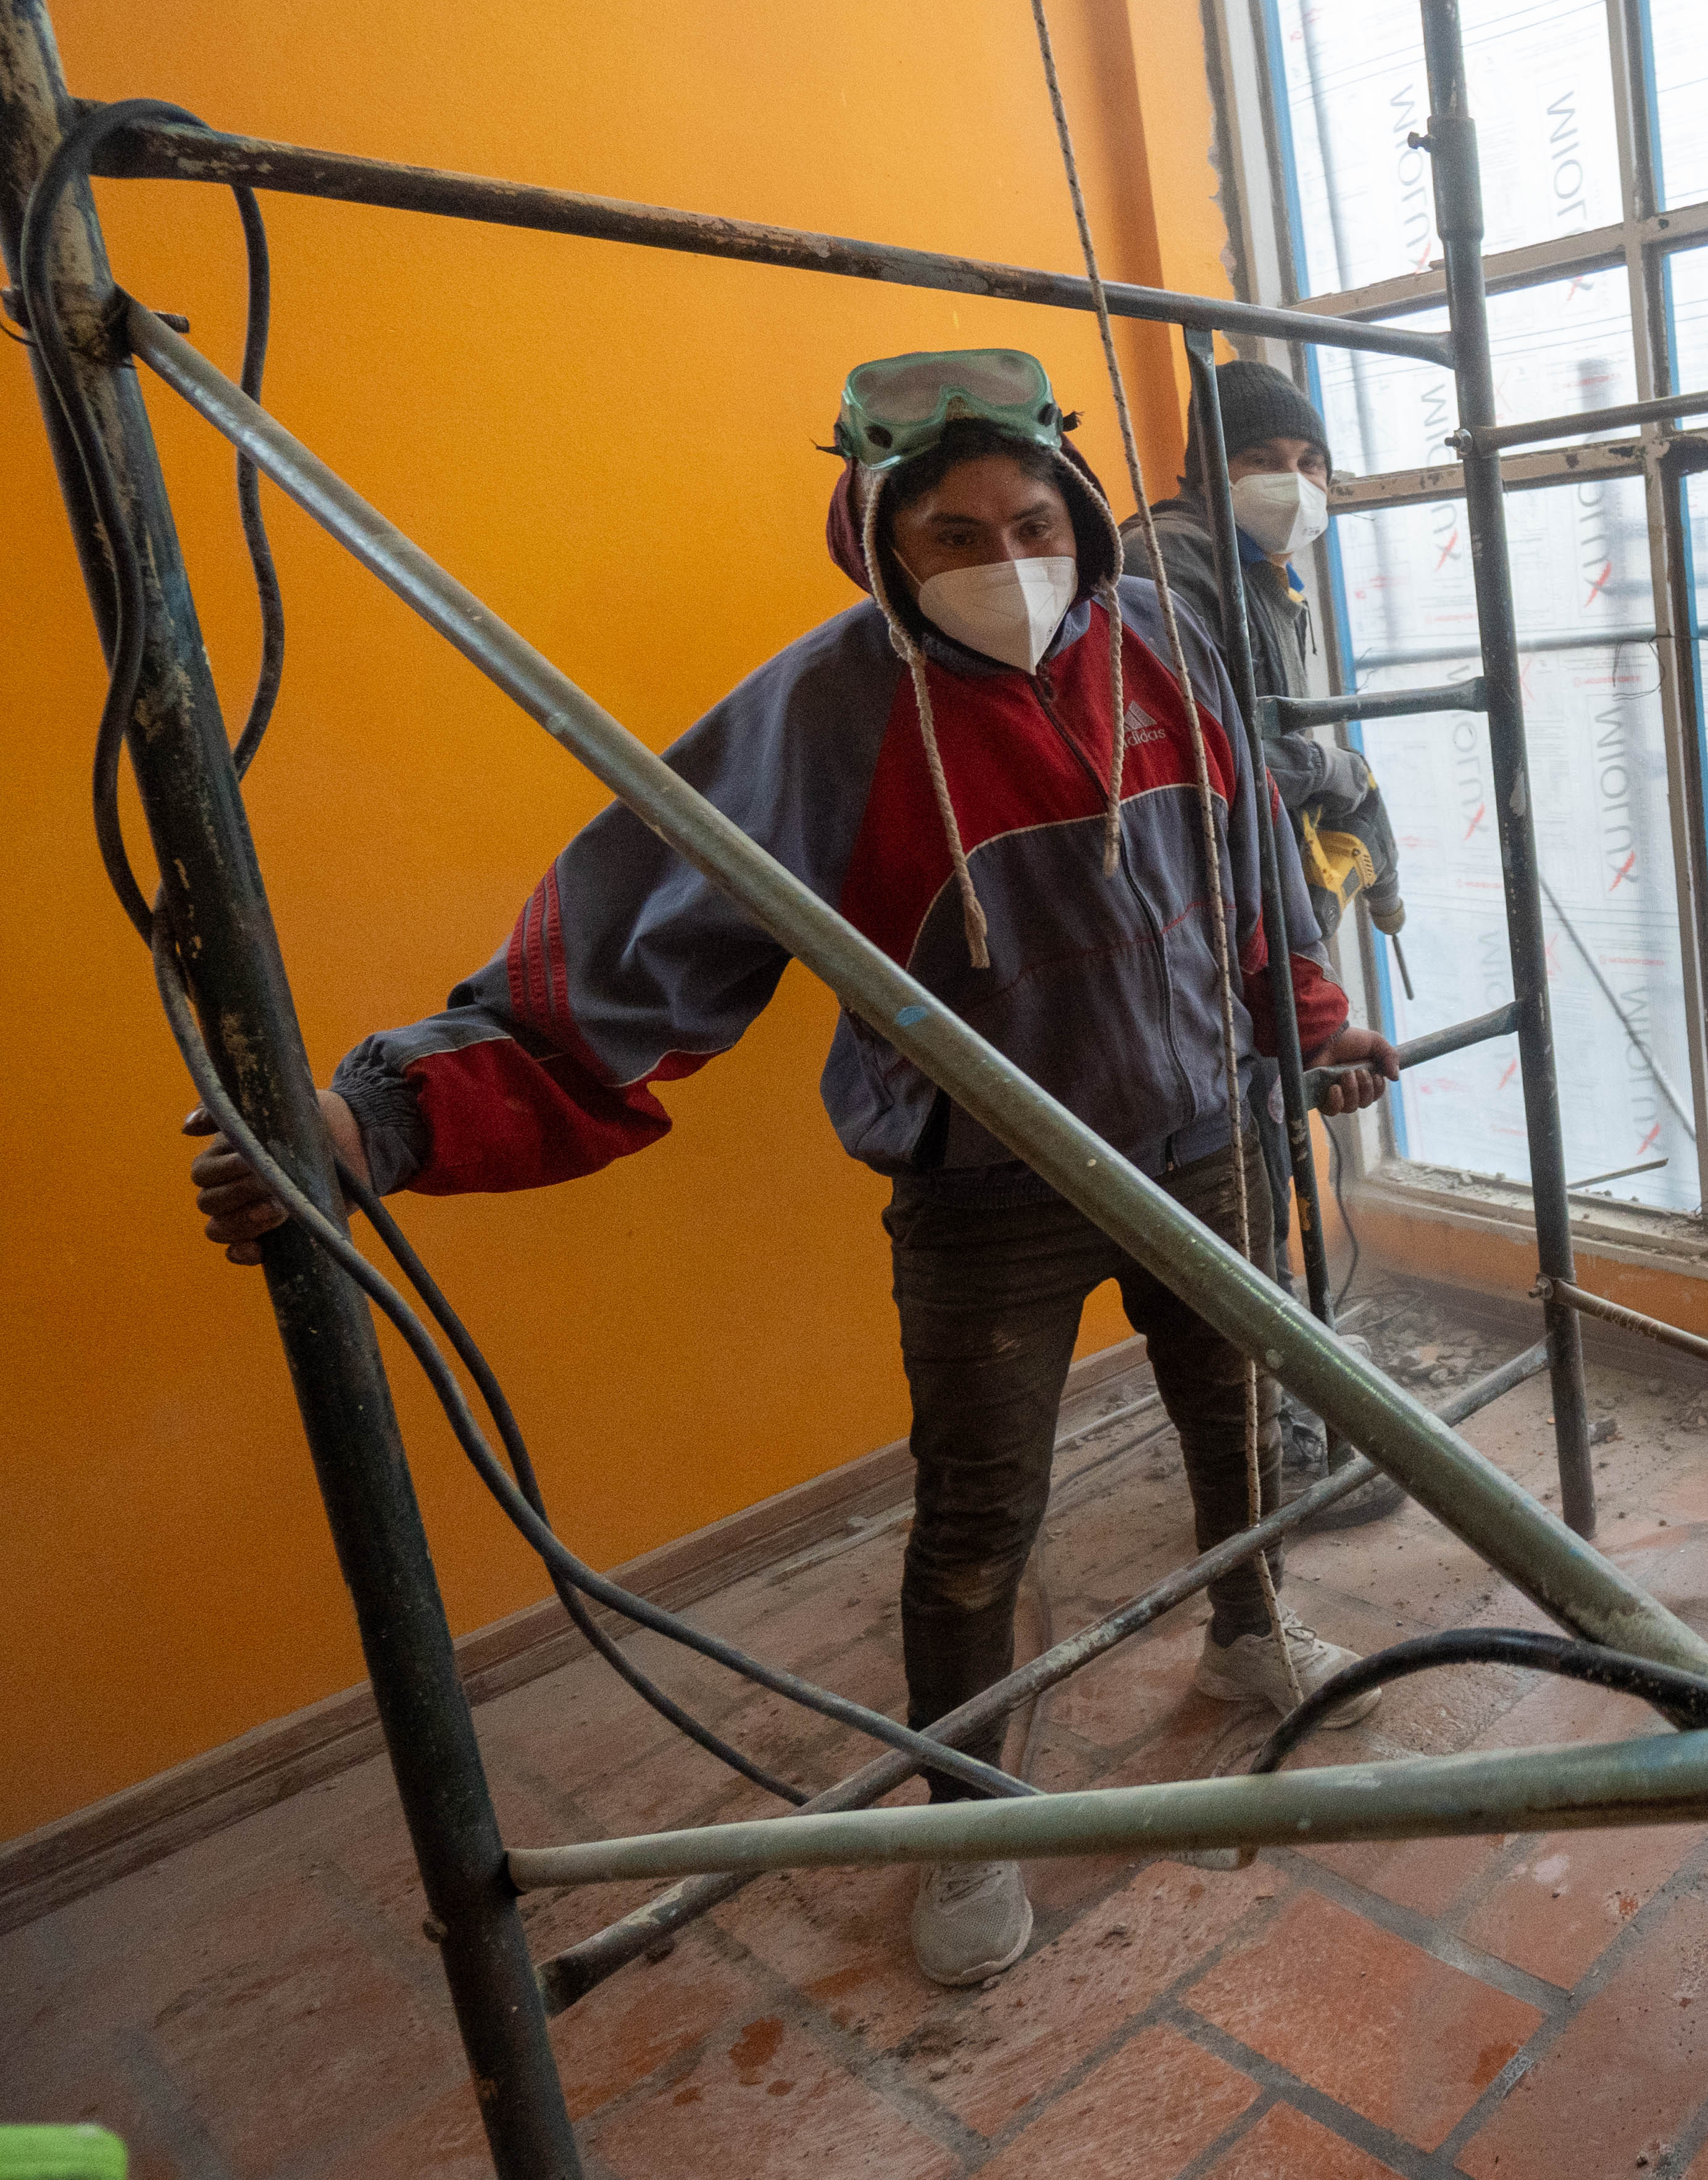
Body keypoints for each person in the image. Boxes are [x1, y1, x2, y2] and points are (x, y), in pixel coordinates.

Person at [184, 350, 1407, 1988]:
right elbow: (618, 954)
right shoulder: (823, 719)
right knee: (980, 1519)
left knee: (1237, 1416)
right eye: (954, 534)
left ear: (1085, 517)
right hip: (992, 1197)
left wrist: (1312, 1021)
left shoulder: (1163, 648)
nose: (1003, 559)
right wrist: (383, 1124)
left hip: (1205, 1138)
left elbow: (1253, 869)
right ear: (881, 538)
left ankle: (1252, 1636)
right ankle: (967, 1811)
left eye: (1031, 521)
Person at [1141, 359, 1411, 1522]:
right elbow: (1230, 756)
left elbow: (1269, 765)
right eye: (1262, 462)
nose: (1292, 487)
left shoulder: (1262, 571)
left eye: (1311, 467)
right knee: (1243, 1192)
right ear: (1209, 467)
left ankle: (1288, 1406)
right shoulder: (1180, 563)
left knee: (1267, 1159)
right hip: (1207, 927)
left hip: (1258, 915)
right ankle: (1278, 1443)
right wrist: (1342, 767)